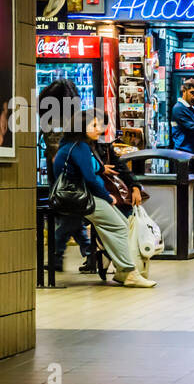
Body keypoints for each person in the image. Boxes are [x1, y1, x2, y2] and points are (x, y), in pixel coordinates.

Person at [52, 109, 157, 288]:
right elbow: (90, 178)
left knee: (117, 225)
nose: (99, 128)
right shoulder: (81, 147)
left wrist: (102, 171)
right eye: (94, 125)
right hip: (82, 198)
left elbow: (88, 171)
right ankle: (128, 272)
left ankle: (124, 271)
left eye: (100, 124)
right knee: (119, 225)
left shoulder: (69, 145)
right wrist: (107, 197)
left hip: (72, 198)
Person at [39, 79, 96, 273]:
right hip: (71, 169)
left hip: (58, 171)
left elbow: (50, 144)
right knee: (71, 214)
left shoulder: (48, 118)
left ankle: (59, 256)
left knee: (69, 214)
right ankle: (89, 254)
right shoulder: (76, 118)